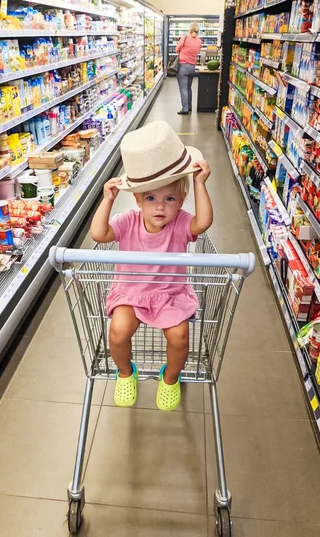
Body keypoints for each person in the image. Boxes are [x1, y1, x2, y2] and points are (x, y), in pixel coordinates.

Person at [90, 121, 213, 411]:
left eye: (169, 198)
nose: (160, 207)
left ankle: (169, 378)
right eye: (151, 199)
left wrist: (198, 184)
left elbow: (204, 222)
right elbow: (99, 234)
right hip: (131, 293)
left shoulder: (182, 223)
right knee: (118, 332)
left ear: (181, 199)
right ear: (137, 199)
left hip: (170, 293)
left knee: (180, 336)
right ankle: (125, 372)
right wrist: (107, 200)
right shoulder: (128, 221)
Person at [175, 21, 202, 115]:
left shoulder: (185, 38)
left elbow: (177, 49)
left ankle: (185, 109)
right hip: (192, 67)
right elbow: (197, 51)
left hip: (183, 66)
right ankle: (189, 106)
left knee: (183, 88)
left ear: (190, 29)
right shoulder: (199, 40)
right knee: (188, 88)